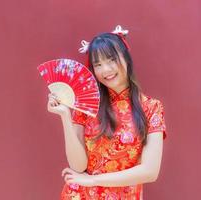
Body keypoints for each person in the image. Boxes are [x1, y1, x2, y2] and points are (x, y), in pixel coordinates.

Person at [47, 25, 167, 200]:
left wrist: (93, 180)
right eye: (98, 64)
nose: (106, 70)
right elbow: (78, 166)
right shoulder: (86, 107)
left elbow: (150, 171)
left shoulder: (151, 108)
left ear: (126, 59)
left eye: (111, 60)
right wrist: (65, 116)